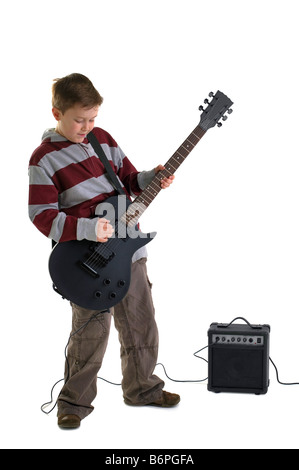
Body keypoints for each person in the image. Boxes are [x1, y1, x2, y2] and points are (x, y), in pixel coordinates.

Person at [28, 73, 180, 429]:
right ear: (56, 113)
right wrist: (87, 228)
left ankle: (142, 389)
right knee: (90, 332)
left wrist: (152, 176)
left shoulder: (103, 140)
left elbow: (128, 178)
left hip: (130, 250)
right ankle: (73, 404)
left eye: (93, 118)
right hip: (87, 260)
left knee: (141, 322)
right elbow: (41, 214)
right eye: (79, 119)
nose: (87, 126)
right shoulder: (43, 159)